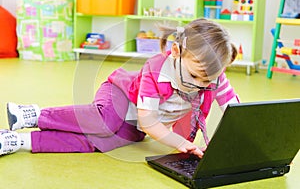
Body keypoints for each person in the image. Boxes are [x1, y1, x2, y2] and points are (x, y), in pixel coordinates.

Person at [0, 18, 239, 158]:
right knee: (104, 121)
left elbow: (235, 111)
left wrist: (223, 143)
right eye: (196, 76)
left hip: (136, 124)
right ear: (175, 53)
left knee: (97, 143)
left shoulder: (212, 77)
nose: (202, 85)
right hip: (120, 94)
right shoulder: (158, 71)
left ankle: (21, 142)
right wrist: (178, 142)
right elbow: (149, 121)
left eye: (209, 80)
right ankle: (35, 115)